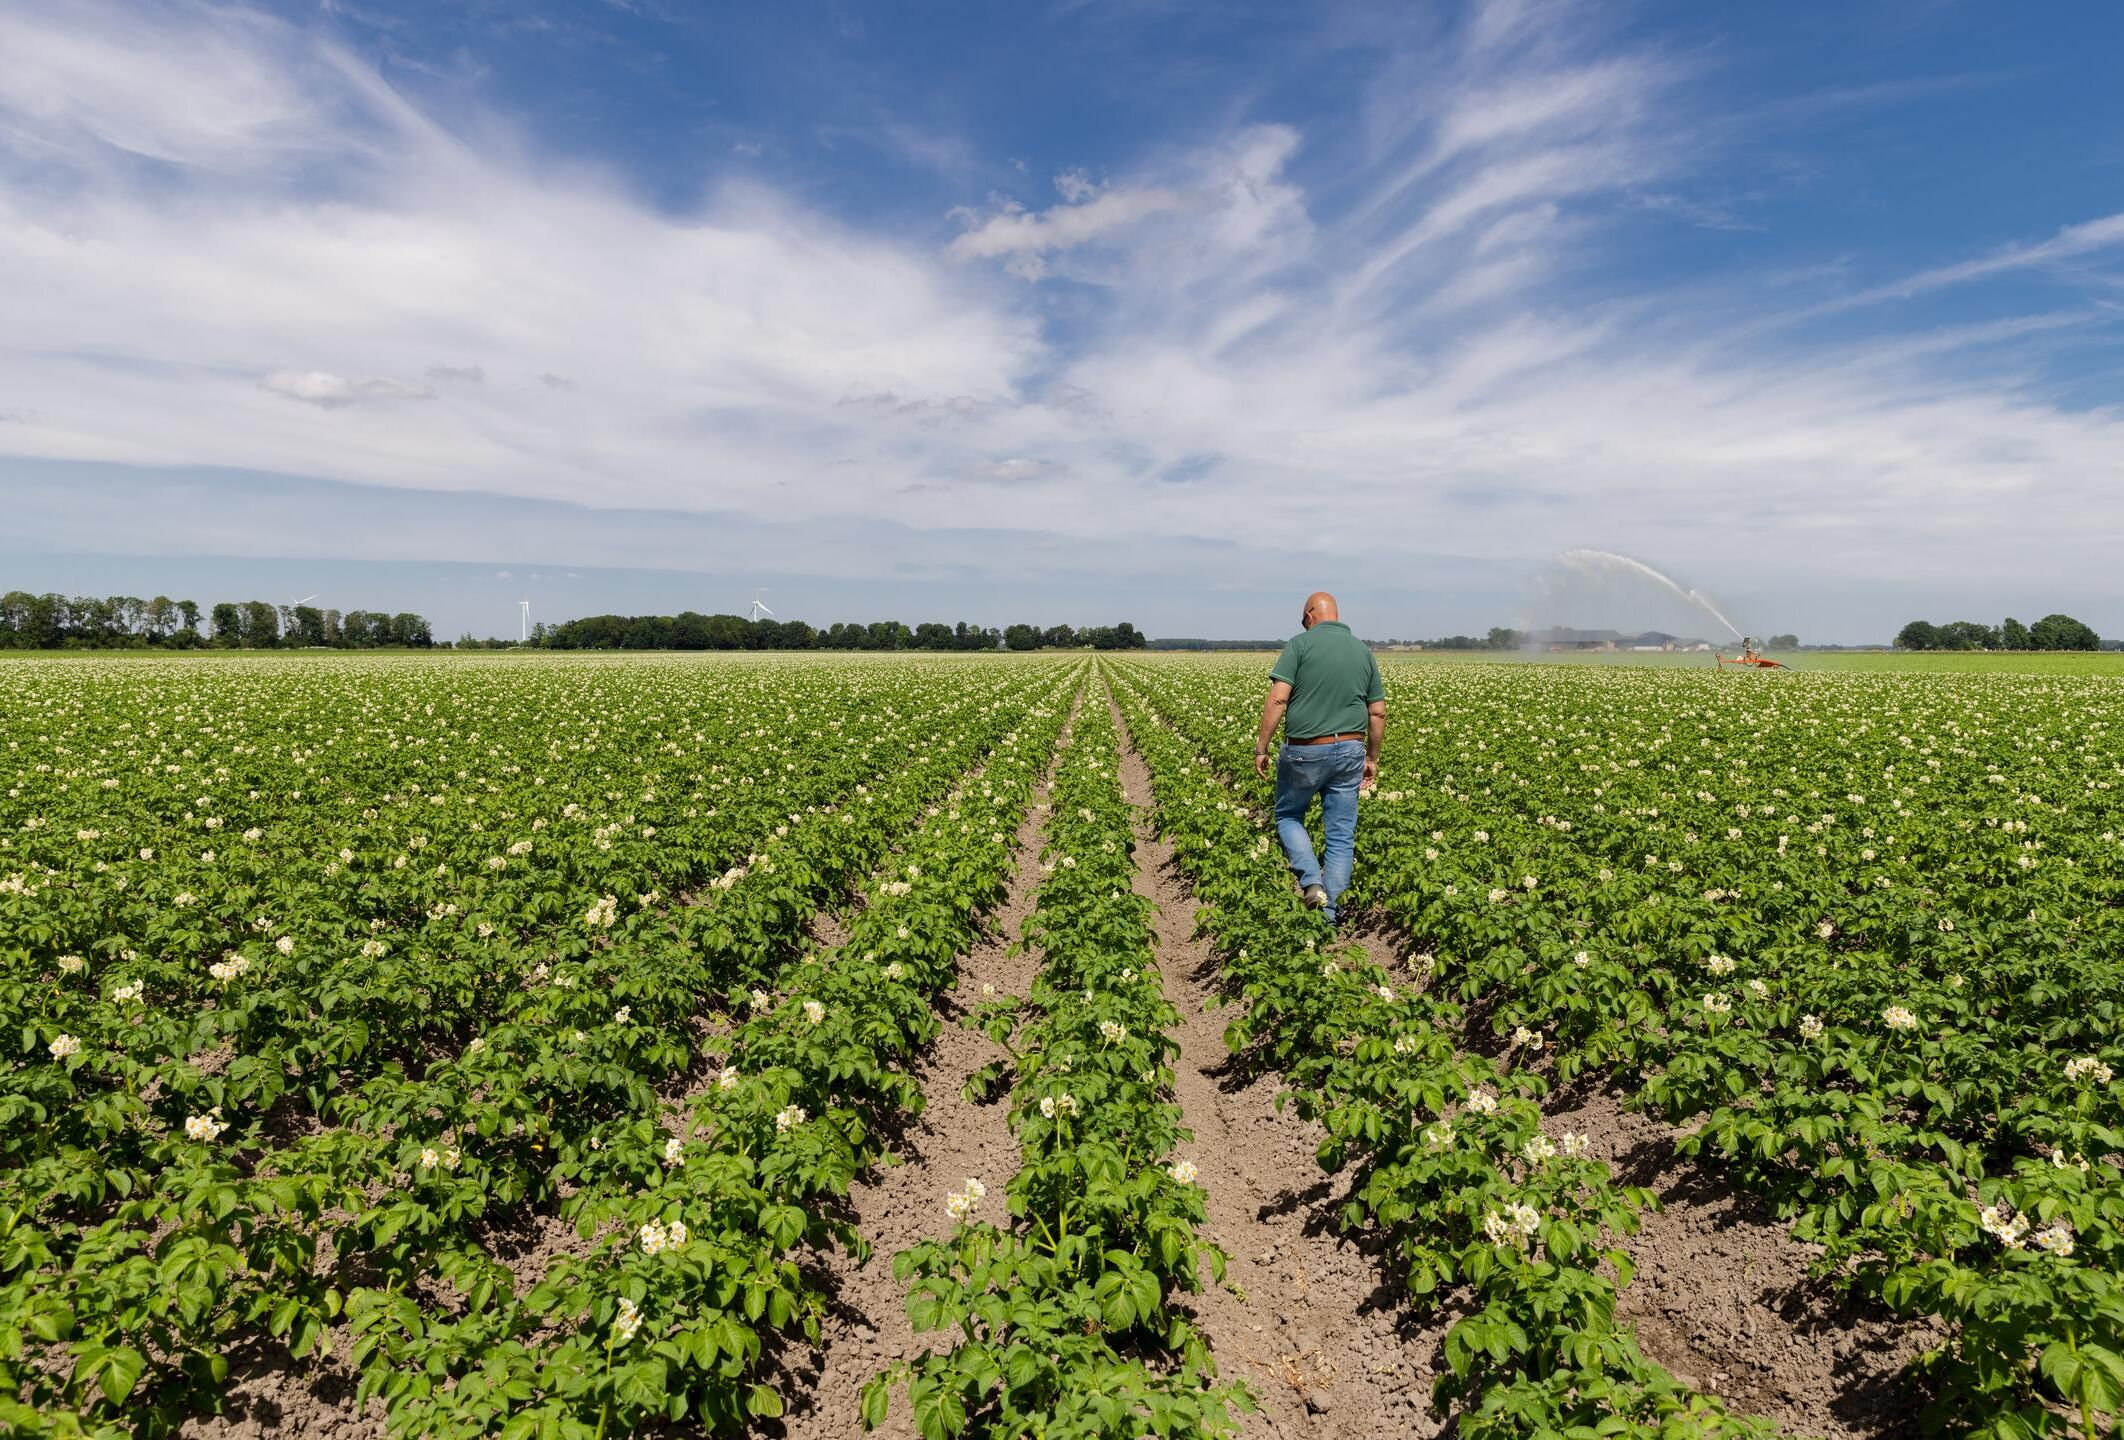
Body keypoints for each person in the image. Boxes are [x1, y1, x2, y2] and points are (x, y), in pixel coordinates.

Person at [1253, 592, 1385, 922]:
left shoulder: (1300, 645)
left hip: (1305, 750)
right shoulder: (1363, 651)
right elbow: (1378, 712)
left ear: (1310, 617)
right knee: (1341, 835)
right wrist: (1372, 758)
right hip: (1351, 750)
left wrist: (1261, 747)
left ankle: (1312, 881)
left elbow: (1278, 700)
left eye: (1304, 621)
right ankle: (1329, 915)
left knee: (1288, 815)